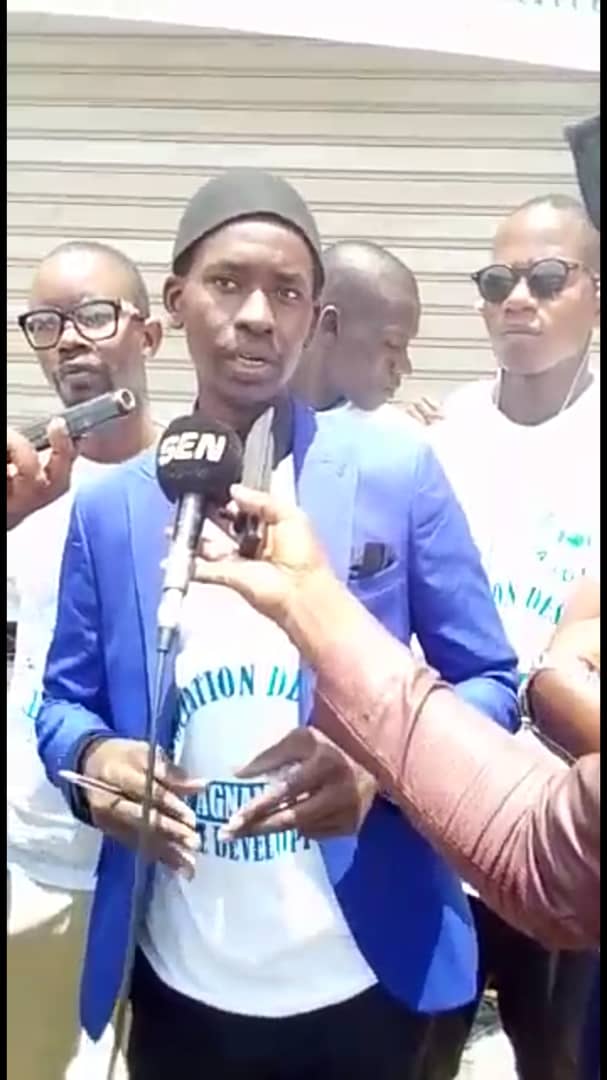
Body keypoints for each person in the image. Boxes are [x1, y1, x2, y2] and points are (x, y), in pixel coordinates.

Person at [37, 169, 518, 1080]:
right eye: (227, 284)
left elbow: (490, 684)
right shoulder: (111, 510)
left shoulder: (394, 473)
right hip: (178, 984)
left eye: (287, 292)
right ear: (175, 303)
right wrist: (97, 763)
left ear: (314, 318)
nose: (257, 315)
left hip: (366, 977)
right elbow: (62, 708)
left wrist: (383, 769)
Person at [407, 193, 600, 1080]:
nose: (517, 298)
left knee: (553, 1050)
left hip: (564, 816)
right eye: (496, 281)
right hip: (442, 803)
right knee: (426, 1047)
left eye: (546, 277)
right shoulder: (444, 434)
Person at [7, 239, 162, 1080]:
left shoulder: (189, 482)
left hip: (150, 866)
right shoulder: (23, 482)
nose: (68, 338)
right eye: (46, 323)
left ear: (152, 332)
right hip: (30, 854)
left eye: (94, 315)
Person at [290, 239, 420, 417]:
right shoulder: (256, 417)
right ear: (330, 325)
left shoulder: (396, 433)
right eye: (393, 343)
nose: (405, 367)